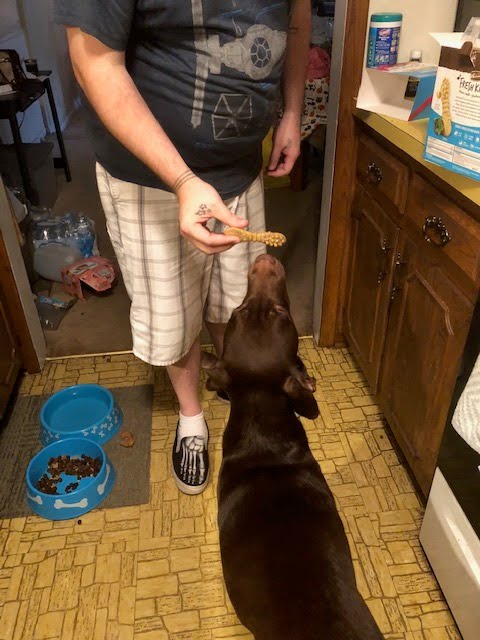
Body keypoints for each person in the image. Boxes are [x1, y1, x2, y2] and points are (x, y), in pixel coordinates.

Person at [54, 0, 311, 495]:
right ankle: (191, 418)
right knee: (173, 316)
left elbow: (296, 21)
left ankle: (233, 382)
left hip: (240, 167)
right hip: (149, 178)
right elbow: (93, 61)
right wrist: (182, 180)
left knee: (236, 301)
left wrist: (292, 114)